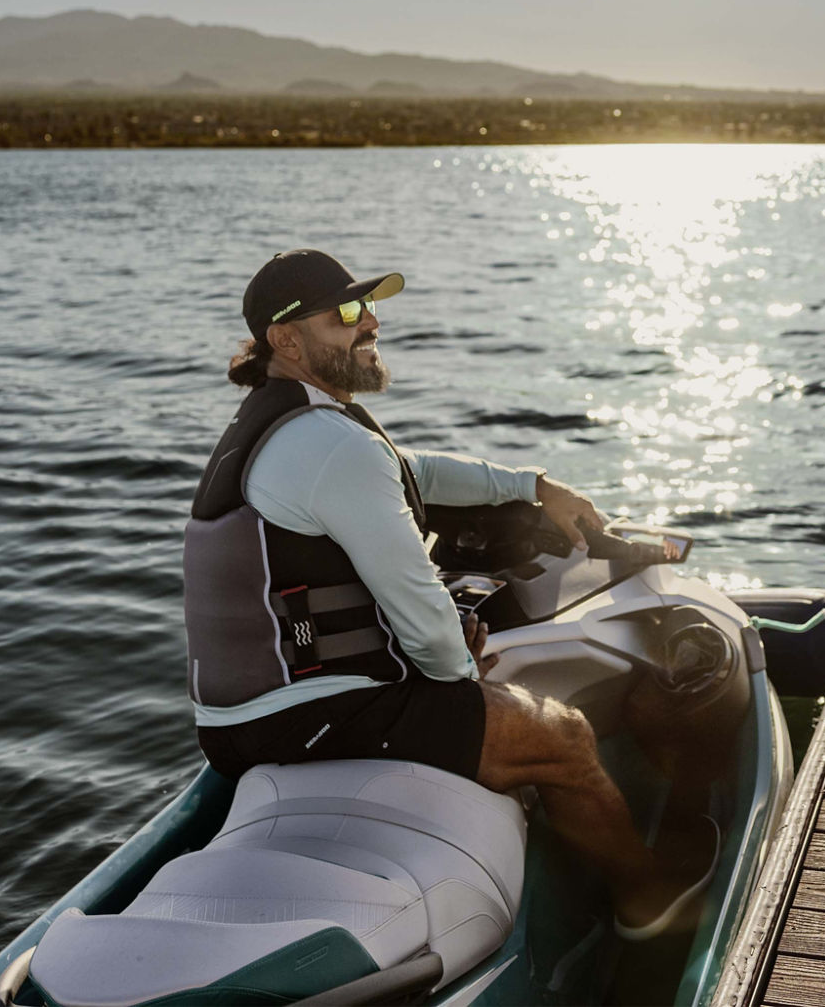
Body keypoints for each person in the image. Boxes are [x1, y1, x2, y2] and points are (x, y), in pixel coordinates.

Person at [184, 248, 713, 937]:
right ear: (287, 339)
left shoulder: (281, 422)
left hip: (239, 719)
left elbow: (412, 473)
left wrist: (531, 486)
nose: (370, 321)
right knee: (563, 734)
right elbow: (429, 630)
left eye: (368, 306)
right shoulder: (325, 444)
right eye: (347, 312)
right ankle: (647, 899)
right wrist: (464, 676)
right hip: (308, 715)